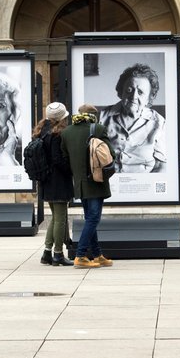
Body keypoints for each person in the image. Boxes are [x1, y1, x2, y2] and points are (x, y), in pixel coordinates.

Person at [61, 103, 113, 269]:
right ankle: (81, 255)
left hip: (80, 183)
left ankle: (97, 255)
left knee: (90, 218)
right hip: (96, 180)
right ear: (93, 115)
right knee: (93, 218)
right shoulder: (98, 129)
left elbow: (65, 159)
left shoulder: (66, 132)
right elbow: (110, 153)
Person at [99, 63, 166, 173]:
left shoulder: (159, 123)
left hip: (143, 186)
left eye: (140, 92)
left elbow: (161, 165)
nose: (134, 96)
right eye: (129, 90)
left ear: (149, 97)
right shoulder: (102, 117)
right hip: (109, 185)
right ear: (121, 92)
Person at [35, 102, 75, 267]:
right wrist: (71, 168)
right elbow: (58, 160)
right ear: (61, 119)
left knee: (55, 217)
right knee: (60, 219)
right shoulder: (56, 135)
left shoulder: (42, 132)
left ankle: (46, 252)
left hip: (47, 181)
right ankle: (58, 254)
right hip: (58, 181)